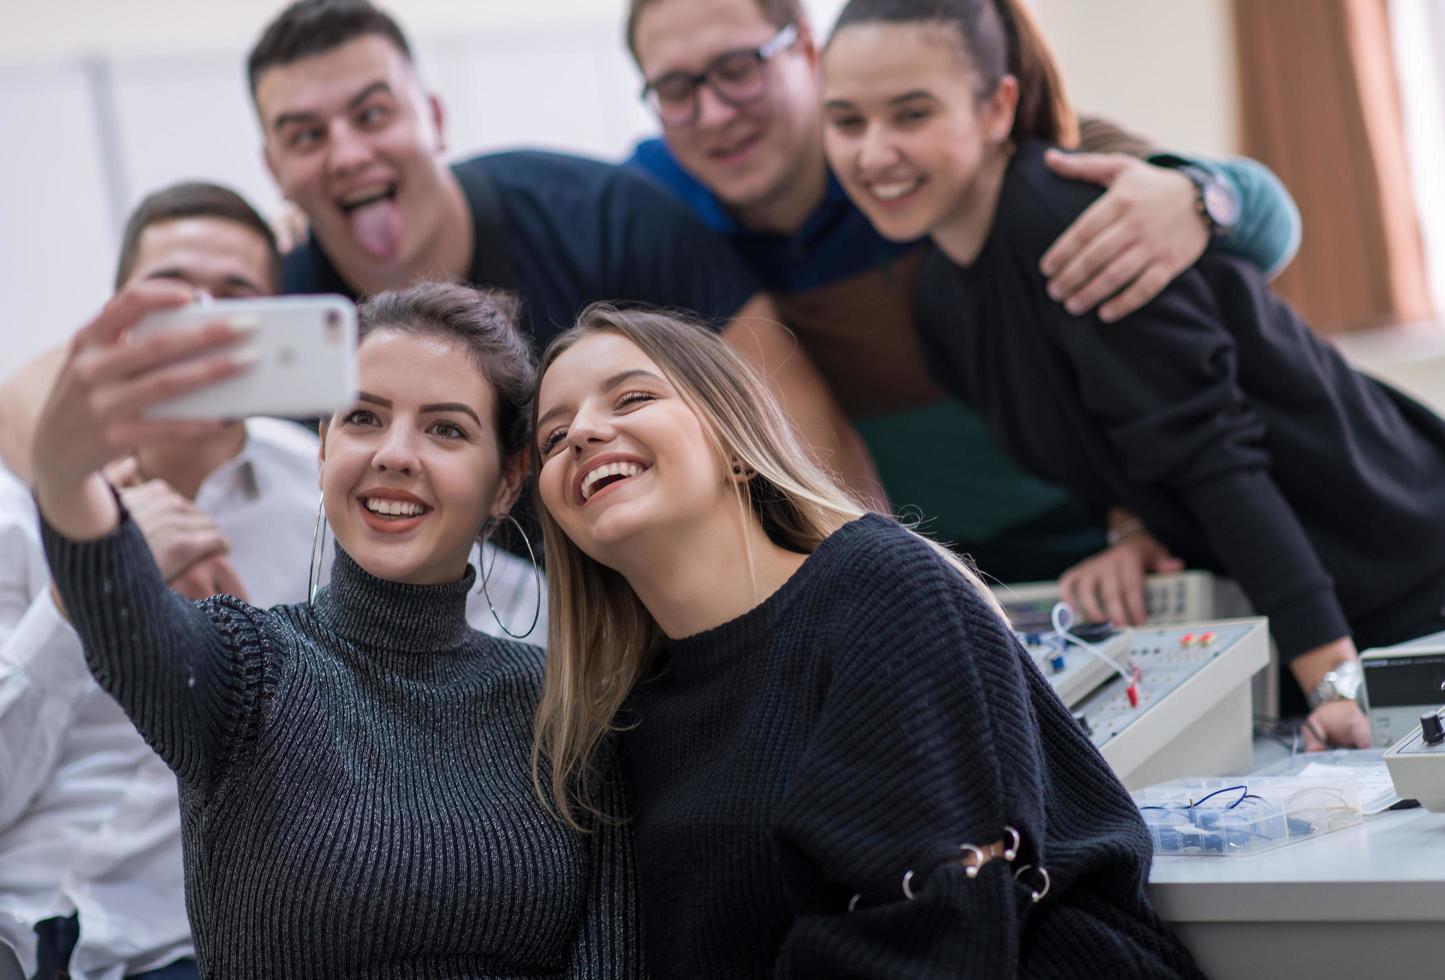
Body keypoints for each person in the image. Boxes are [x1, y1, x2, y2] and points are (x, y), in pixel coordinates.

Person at [819, 0, 1445, 745]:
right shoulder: (942, 298)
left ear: (997, 108)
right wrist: (1136, 524)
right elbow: (1115, 432)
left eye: (911, 114)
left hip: (1402, 571)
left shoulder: (1066, 223)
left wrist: (1333, 679)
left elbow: (1214, 457)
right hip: (1329, 609)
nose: (873, 153)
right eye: (847, 122)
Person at [528, 304, 1203, 977]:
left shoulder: (879, 588)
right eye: (552, 438)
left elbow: (934, 927)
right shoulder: (624, 713)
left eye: (634, 397)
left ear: (734, 442)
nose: (583, 433)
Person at [0, 0, 882, 510]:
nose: (346, 153)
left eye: (372, 114)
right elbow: (30, 398)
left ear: (434, 116)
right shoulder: (285, 308)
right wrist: (102, 504)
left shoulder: (598, 216)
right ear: (276, 169)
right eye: (306, 134)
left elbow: (796, 436)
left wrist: (876, 590)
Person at [27, 279, 638, 978]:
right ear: (321, 450)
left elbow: (611, 953)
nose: (395, 454)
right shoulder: (246, 670)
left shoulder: (562, 708)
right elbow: (123, 619)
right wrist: (66, 472)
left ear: (506, 481)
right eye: (363, 419)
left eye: (445, 429)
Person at [622, 0, 1301, 595]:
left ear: (805, 49)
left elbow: (1268, 225)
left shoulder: (944, 154)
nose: (712, 114)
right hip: (946, 570)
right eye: (676, 88)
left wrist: (1198, 198)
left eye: (738, 69)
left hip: (1138, 539)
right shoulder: (653, 210)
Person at [0, 182, 322, 980]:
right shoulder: (16, 510)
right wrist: (83, 591)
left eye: (235, 299)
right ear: (121, 321)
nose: (200, 326)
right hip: (19, 916)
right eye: (171, 298)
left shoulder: (327, 500)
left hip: (200, 936)